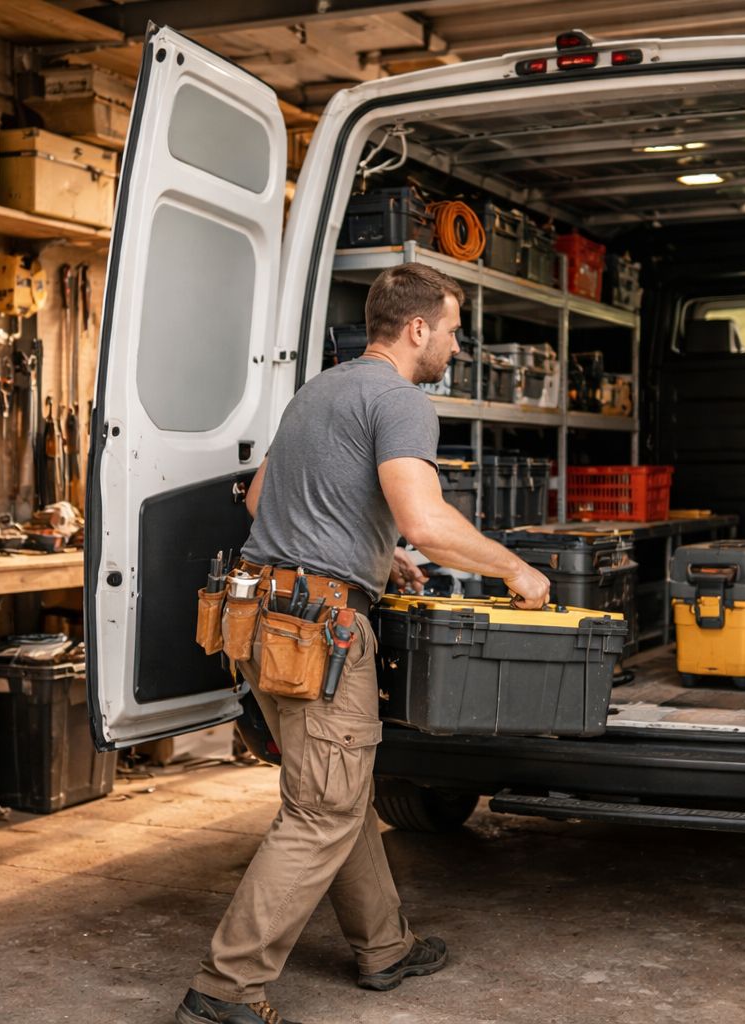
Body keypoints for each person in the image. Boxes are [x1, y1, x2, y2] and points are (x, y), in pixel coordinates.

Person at [176, 262, 552, 1024]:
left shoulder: (321, 390)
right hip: (321, 629)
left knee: (332, 794)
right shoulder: (401, 400)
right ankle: (223, 990)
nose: (455, 345)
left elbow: (260, 500)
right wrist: (515, 569)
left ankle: (384, 947)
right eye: (450, 330)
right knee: (321, 810)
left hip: (261, 620)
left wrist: (374, 550)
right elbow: (427, 521)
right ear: (417, 329)